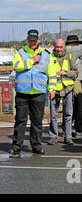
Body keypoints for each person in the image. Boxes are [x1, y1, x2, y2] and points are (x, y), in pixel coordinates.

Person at [9, 30, 51, 158]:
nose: (32, 42)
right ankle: (16, 147)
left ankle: (36, 146)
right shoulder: (20, 52)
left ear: (39, 40)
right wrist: (32, 60)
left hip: (38, 92)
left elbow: (51, 73)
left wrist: (52, 89)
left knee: (37, 122)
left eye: (34, 40)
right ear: (27, 40)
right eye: (30, 40)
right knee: (20, 121)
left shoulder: (46, 54)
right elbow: (16, 66)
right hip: (22, 92)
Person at [47, 39, 78, 146]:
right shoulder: (49, 57)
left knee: (68, 114)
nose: (59, 49)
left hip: (67, 89)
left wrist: (66, 73)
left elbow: (75, 73)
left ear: (64, 47)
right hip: (54, 89)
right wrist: (50, 88)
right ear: (54, 47)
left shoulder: (69, 57)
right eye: (57, 47)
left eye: (61, 47)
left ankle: (68, 137)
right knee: (53, 114)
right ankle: (53, 136)